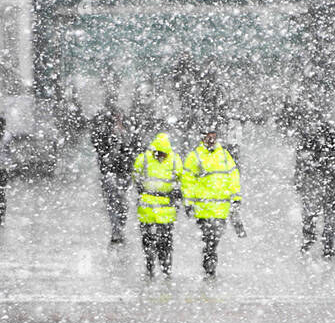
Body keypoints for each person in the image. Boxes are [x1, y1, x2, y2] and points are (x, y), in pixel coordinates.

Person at [181, 127, 242, 278]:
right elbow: (188, 180)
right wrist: (188, 202)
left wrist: (236, 197)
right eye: (208, 135)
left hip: (221, 207)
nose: (211, 138)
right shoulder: (195, 156)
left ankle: (209, 260)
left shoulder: (224, 155)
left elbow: (233, 176)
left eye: (213, 135)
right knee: (209, 237)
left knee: (214, 238)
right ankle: (210, 263)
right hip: (203, 207)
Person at [295, 117, 335, 258]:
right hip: (330, 186)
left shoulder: (309, 145)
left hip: (318, 185)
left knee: (312, 215)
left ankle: (309, 242)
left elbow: (301, 164)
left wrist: (300, 182)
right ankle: (326, 246)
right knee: (329, 218)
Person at [132, 131, 182, 278]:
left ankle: (163, 266)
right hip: (150, 205)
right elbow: (136, 175)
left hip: (164, 206)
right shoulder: (145, 159)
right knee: (150, 239)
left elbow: (181, 179)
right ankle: (153, 265)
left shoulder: (173, 160)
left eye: (163, 153)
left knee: (164, 240)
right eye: (159, 153)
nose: (161, 156)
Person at [91, 99, 134, 245]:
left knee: (122, 203)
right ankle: (116, 230)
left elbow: (134, 147)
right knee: (112, 201)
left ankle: (119, 226)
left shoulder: (128, 130)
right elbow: (99, 147)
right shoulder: (104, 130)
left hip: (124, 171)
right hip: (110, 172)